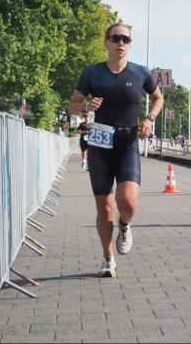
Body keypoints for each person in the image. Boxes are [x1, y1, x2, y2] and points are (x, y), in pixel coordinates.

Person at [69, 22, 162, 277]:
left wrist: (149, 119)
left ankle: (125, 225)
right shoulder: (92, 73)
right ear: (106, 42)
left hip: (127, 141)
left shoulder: (141, 73)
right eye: (116, 38)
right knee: (105, 208)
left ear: (130, 44)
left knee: (128, 202)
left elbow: (158, 98)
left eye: (126, 39)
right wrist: (87, 105)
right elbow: (72, 106)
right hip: (99, 141)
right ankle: (108, 257)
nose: (121, 43)